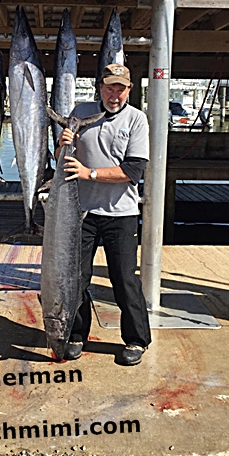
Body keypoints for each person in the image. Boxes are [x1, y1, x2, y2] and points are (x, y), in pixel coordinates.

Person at [55, 63, 151, 366]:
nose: (115, 94)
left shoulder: (137, 120)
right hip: (79, 213)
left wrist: (89, 173)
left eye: (121, 88)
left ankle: (136, 340)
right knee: (75, 279)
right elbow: (63, 159)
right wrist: (62, 146)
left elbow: (133, 170)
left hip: (120, 215)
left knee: (124, 280)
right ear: (100, 87)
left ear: (129, 90)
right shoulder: (80, 111)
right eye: (110, 87)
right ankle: (75, 334)